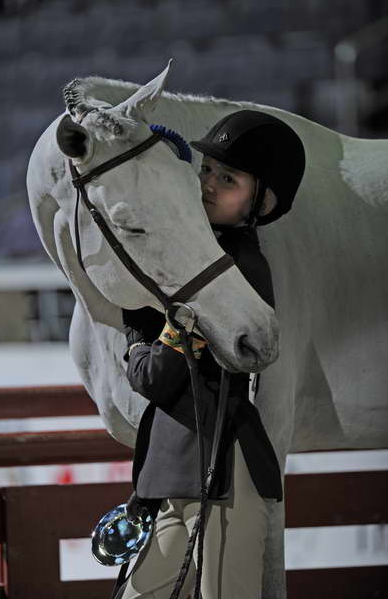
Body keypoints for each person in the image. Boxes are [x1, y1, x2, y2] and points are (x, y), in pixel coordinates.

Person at [117, 110, 306, 599]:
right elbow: (144, 365)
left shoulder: (236, 270)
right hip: (171, 470)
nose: (207, 184)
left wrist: (151, 341)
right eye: (205, 169)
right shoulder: (176, 257)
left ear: (258, 202)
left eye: (228, 178)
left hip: (227, 467)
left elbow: (154, 377)